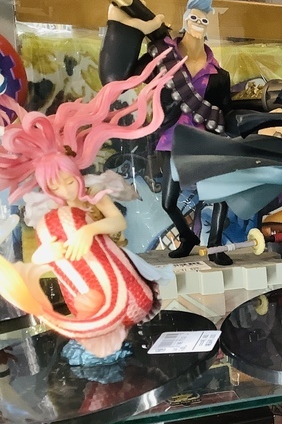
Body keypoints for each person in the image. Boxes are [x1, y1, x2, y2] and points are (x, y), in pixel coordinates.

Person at [0, 60, 176, 358]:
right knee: (94, 318)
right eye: (55, 186)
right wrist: (48, 254)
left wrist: (89, 230)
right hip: (81, 282)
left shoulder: (93, 191)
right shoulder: (49, 213)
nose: (65, 190)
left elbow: (118, 222)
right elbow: (40, 258)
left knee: (130, 305)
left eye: (69, 181)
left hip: (115, 265)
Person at [102, 0, 235, 265]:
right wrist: (136, 31)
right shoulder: (164, 59)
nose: (199, 24)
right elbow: (127, 76)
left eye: (204, 19)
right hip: (171, 141)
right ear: (186, 20)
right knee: (168, 202)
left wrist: (233, 144)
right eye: (194, 18)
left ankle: (215, 245)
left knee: (219, 195)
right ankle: (188, 237)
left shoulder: (219, 75)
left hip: (206, 144)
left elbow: (226, 112)